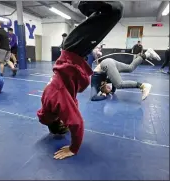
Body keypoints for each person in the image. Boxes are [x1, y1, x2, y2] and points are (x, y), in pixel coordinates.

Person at [37, 1, 124, 160]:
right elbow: (72, 105)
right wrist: (65, 119)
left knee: (116, 10)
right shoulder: (49, 106)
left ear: (59, 120)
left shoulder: (57, 99)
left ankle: (76, 2)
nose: (66, 123)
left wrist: (73, 148)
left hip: (73, 50)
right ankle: (87, 11)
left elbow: (76, 123)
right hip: (75, 53)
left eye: (63, 124)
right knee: (104, 13)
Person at [90, 48, 161, 101]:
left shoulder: (95, 85)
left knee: (119, 84)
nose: (109, 88)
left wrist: (104, 95)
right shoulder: (104, 82)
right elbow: (113, 83)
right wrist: (111, 91)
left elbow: (93, 98)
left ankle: (143, 86)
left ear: (102, 89)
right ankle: (147, 54)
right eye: (109, 89)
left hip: (106, 64)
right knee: (130, 68)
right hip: (109, 62)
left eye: (107, 89)